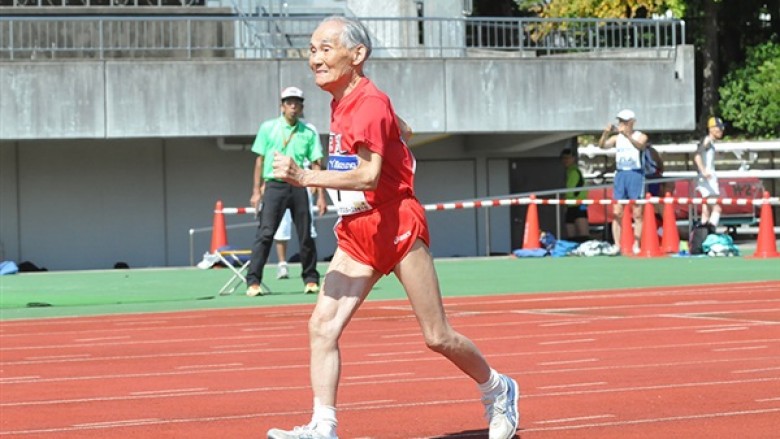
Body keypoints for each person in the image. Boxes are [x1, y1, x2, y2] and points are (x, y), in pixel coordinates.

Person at [265, 16, 519, 439]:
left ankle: (499, 389)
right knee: (322, 326)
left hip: (395, 223)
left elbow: (366, 175)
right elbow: (391, 126)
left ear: (357, 55)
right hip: (357, 230)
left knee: (436, 336)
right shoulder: (348, 99)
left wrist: (304, 177)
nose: (315, 59)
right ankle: (322, 426)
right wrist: (396, 126)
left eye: (326, 49)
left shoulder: (367, 102)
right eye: (312, 50)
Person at [246, 86, 327, 296]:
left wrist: (321, 196)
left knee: (306, 233)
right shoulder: (268, 128)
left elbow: (317, 164)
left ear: (301, 107)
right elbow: (259, 160)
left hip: (300, 185)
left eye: (297, 103)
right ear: (282, 106)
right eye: (289, 102)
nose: (293, 106)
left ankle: (310, 279)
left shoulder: (308, 131)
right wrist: (256, 191)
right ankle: (253, 281)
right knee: (265, 232)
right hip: (274, 185)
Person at [598, 109, 649, 254]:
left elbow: (640, 146)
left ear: (632, 122)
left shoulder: (641, 136)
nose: (622, 124)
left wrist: (628, 136)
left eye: (625, 122)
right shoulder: (617, 138)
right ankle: (617, 245)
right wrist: (606, 133)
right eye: (620, 121)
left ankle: (637, 244)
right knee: (617, 211)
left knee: (638, 212)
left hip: (635, 174)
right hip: (621, 173)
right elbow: (602, 146)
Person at [273, 189, 319, 280]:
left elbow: (320, 173)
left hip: (303, 186)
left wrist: (320, 193)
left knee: (308, 229)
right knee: (282, 227)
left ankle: (310, 268)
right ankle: (282, 265)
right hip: (282, 186)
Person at [694, 116, 725, 227]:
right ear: (711, 129)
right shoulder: (707, 141)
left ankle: (703, 235)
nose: (721, 130)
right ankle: (710, 232)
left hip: (707, 178)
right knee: (717, 208)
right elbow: (697, 156)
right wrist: (704, 171)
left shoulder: (711, 142)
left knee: (705, 209)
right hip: (707, 179)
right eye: (718, 128)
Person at [559, 148, 590, 241]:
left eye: (568, 158)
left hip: (579, 204)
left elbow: (570, 190)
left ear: (573, 159)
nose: (565, 160)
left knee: (583, 234)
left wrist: (564, 199)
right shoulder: (568, 171)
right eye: (564, 158)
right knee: (571, 234)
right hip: (570, 205)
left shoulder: (575, 171)